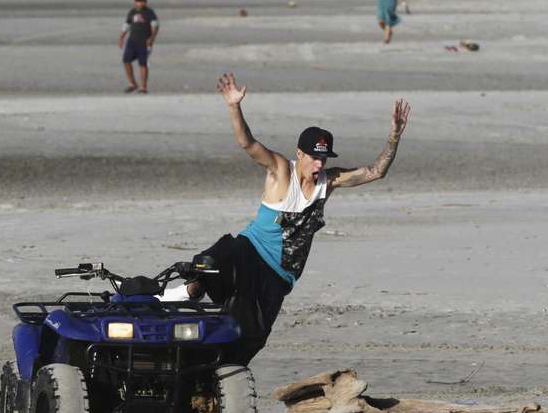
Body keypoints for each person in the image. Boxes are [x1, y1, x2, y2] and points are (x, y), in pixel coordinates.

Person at [162, 74, 411, 366]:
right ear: (299, 154)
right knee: (215, 259)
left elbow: (375, 171)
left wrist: (394, 136)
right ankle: (189, 291)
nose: (319, 165)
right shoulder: (281, 170)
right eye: (314, 158)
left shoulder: (328, 182)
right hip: (250, 251)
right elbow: (248, 143)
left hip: (278, 276)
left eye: (324, 159)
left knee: (250, 338)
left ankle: (214, 379)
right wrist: (234, 107)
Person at [118, 0, 159, 94]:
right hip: (131, 41)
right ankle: (132, 84)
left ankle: (143, 87)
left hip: (144, 42)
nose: (139, 3)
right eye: (137, 1)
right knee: (126, 60)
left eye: (141, 1)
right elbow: (126, 25)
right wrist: (121, 38)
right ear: (135, 2)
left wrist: (151, 39)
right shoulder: (132, 12)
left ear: (145, 2)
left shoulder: (149, 12)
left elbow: (155, 26)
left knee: (143, 64)